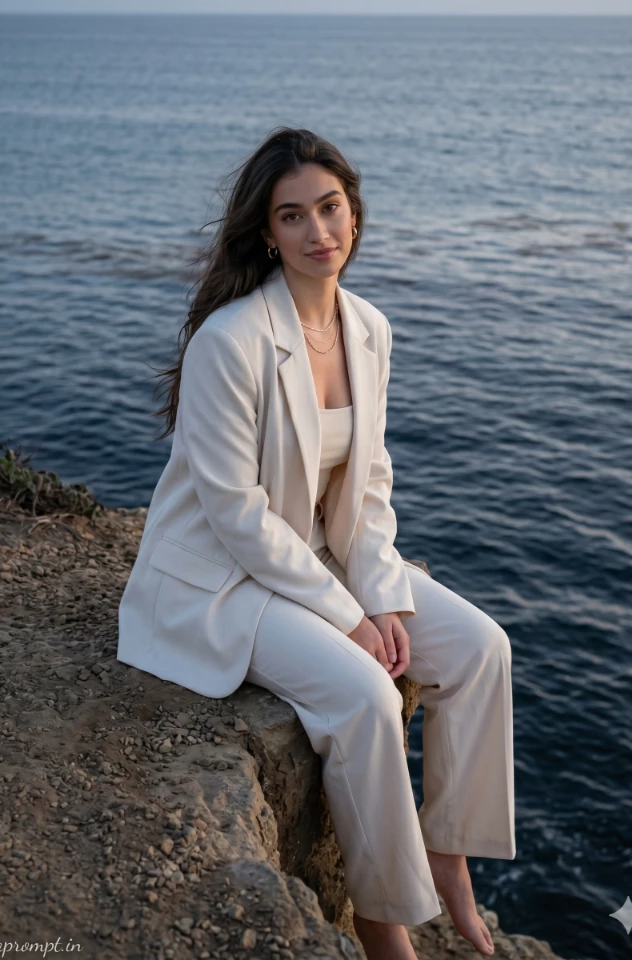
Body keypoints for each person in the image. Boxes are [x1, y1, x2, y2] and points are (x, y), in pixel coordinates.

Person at [118, 126, 515, 960]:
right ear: (267, 233)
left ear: (353, 212)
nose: (317, 232)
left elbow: (368, 484)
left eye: (329, 209)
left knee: (482, 648)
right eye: (292, 216)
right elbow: (236, 516)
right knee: (365, 697)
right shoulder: (229, 342)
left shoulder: (368, 328)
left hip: (314, 556)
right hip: (221, 578)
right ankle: (382, 922)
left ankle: (448, 861)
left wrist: (380, 593)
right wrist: (348, 619)